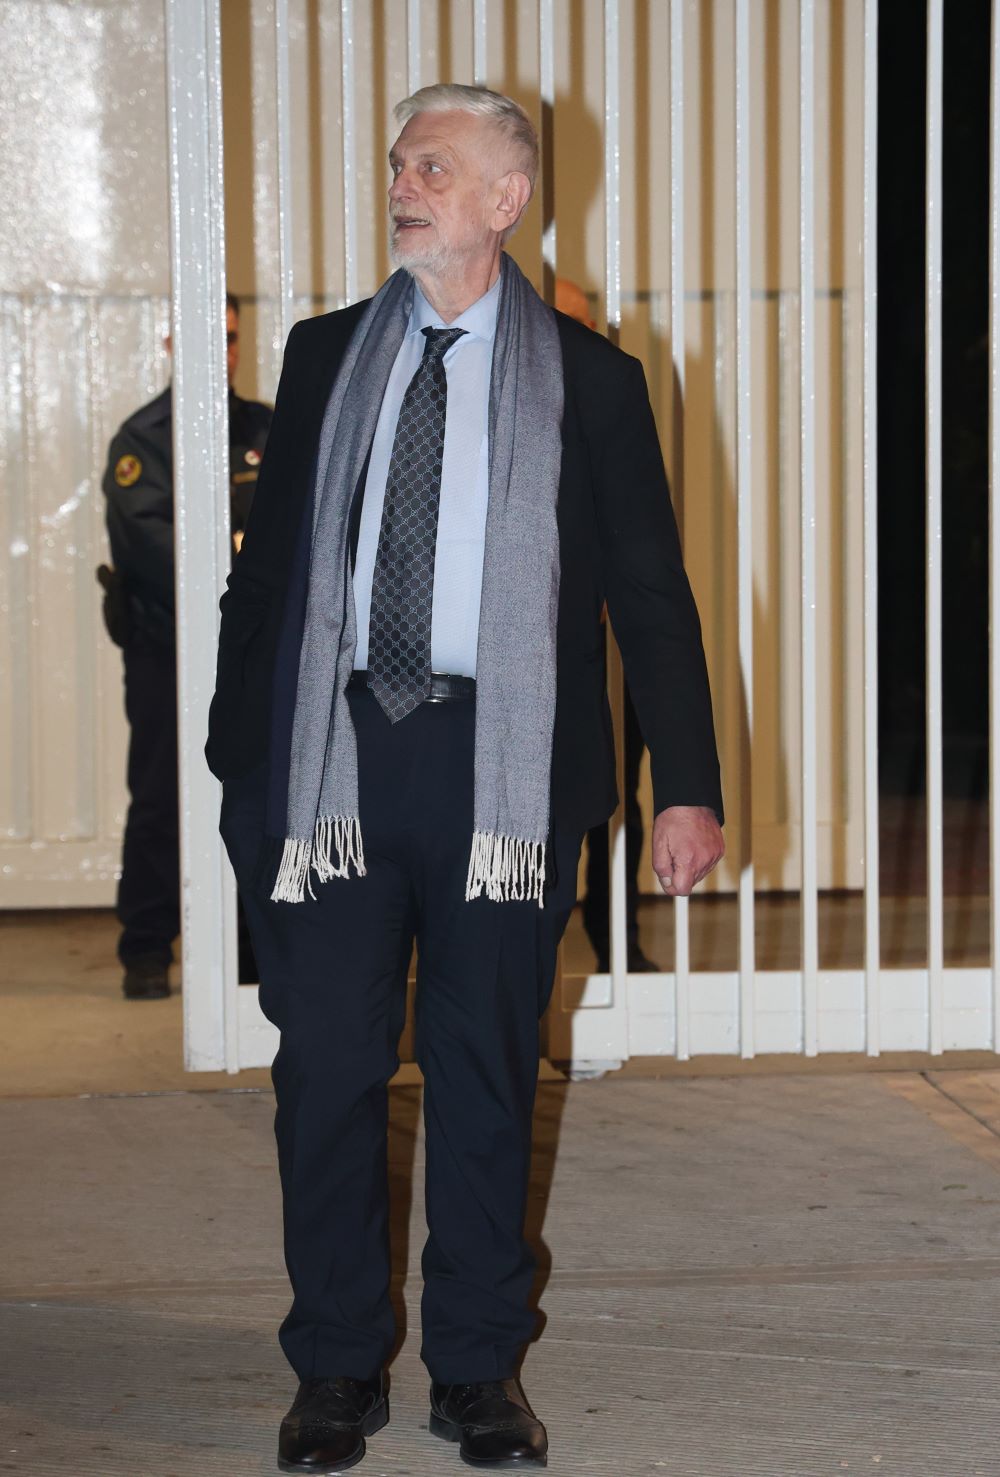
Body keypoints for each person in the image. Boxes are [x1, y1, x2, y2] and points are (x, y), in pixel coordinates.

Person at [210, 85, 724, 1473]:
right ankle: (334, 1367)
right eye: (398, 163)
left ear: (507, 198)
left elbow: (650, 594)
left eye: (433, 166)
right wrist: (237, 759)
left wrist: (687, 783)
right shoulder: (326, 355)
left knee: (485, 1068)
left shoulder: (593, 382)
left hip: (502, 775)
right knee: (326, 1068)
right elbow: (266, 575)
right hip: (332, 768)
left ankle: (477, 1369)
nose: (403, 184)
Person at [102, 293, 272, 1000]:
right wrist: (239, 551)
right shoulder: (143, 440)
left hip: (249, 648)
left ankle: (250, 949)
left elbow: (292, 527)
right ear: (173, 343)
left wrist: (241, 553)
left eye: (231, 337)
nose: (223, 351)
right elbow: (155, 550)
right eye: (208, 336)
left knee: (256, 791)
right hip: (165, 647)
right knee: (161, 794)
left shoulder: (264, 428)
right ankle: (146, 944)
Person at [553, 277, 659, 973]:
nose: (579, 340)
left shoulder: (609, 404)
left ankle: (618, 940)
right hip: (522, 663)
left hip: (604, 653)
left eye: (588, 325)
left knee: (618, 804)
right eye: (567, 323)